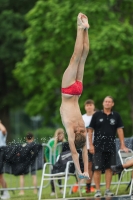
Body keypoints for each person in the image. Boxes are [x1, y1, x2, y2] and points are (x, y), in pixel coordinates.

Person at [60, 12, 90, 179]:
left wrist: (84, 171)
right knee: (75, 58)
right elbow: (75, 153)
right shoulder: (71, 130)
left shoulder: (83, 130)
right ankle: (80, 28)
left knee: (83, 56)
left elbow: (83, 151)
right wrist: (79, 171)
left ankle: (85, 29)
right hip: (68, 92)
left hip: (78, 91)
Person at [88, 96, 129, 197]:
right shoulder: (96, 115)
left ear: (112, 104)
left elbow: (120, 130)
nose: (107, 103)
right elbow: (90, 130)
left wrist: (122, 144)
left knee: (109, 169)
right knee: (97, 169)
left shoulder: (116, 116)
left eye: (109, 102)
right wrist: (91, 145)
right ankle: (97, 190)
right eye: (105, 101)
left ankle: (107, 189)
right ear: (103, 103)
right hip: (98, 146)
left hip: (111, 146)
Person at [45, 128, 66, 196]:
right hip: (52, 162)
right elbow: (46, 151)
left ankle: (61, 189)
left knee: (59, 176)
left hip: (60, 162)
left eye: (62, 135)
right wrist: (49, 159)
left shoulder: (64, 142)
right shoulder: (51, 141)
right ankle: (53, 190)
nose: (61, 136)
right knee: (52, 176)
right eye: (60, 135)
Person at [82, 99, 96, 193]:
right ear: (85, 107)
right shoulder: (82, 118)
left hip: (98, 144)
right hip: (86, 145)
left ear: (93, 106)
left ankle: (96, 186)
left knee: (98, 167)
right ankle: (88, 186)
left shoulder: (98, 116)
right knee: (89, 166)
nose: (89, 106)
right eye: (87, 105)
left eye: (90, 105)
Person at [0, 121, 10, 199]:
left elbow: (3, 130)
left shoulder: (2, 132)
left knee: (0, 175)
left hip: (1, 152)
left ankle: (6, 192)